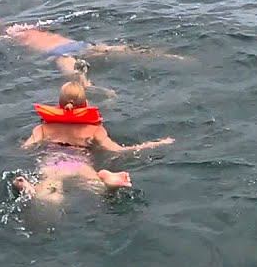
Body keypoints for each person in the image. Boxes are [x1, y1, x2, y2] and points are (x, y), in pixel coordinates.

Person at [11, 81, 173, 204]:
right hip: (79, 163)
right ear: (85, 104)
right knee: (97, 188)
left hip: (52, 161)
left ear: (60, 104)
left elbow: (26, 147)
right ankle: (108, 182)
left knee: (51, 191)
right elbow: (117, 150)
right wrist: (155, 144)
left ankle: (31, 189)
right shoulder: (94, 130)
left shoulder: (43, 128)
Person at [0, 18, 180, 87]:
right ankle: (170, 56)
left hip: (60, 53)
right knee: (122, 50)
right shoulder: (30, 28)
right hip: (77, 44)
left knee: (77, 78)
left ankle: (95, 89)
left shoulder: (13, 37)